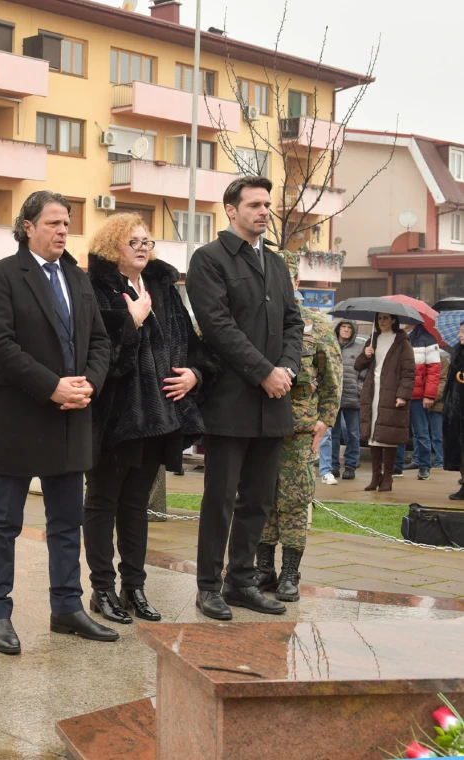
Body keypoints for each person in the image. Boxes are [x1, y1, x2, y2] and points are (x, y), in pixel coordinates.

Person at [0, 190, 114, 656]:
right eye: (53, 223)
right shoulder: (1, 277)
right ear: (28, 227)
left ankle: (67, 607)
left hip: (71, 418)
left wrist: (88, 384)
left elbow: (100, 341)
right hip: (19, 418)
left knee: (66, 521)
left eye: (66, 223)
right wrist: (52, 386)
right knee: (3, 522)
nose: (62, 231)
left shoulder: (77, 277)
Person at [84, 213, 215, 624]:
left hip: (158, 419)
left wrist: (195, 374)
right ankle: (102, 589)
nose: (143, 248)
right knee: (103, 503)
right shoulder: (96, 289)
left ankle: (134, 587)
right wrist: (133, 321)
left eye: (147, 241)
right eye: (134, 241)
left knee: (136, 505)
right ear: (113, 247)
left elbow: (192, 345)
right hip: (114, 419)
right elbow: (97, 354)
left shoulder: (162, 288)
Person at [186, 176, 303, 620]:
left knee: (258, 501)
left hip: (273, 402)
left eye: (267, 204)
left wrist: (286, 370)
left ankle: (241, 581)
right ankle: (208, 586)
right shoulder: (209, 259)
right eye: (254, 204)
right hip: (230, 401)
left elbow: (293, 323)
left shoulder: (275, 263)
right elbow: (218, 327)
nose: (264, 211)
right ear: (231, 210)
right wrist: (263, 372)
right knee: (219, 500)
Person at [256, 252, 341, 603]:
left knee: (293, 499)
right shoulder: (258, 319)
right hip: (261, 422)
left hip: (299, 426)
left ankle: (290, 573)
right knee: (260, 496)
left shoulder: (316, 325)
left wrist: (326, 419)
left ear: (295, 280)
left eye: (286, 277)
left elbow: (332, 377)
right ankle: (263, 568)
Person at [355, 312, 415, 492]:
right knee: (372, 433)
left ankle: (387, 476)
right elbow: (358, 366)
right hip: (372, 392)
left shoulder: (402, 342)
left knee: (389, 435)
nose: (382, 321)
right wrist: (365, 355)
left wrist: (402, 395)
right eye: (379, 318)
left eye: (385, 318)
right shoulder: (373, 339)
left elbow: (409, 372)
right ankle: (376, 476)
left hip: (391, 393)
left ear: (393, 320)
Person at [399, 323, 441, 480]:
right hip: (399, 393)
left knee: (421, 433)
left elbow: (434, 370)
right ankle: (396, 466)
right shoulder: (396, 337)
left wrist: (429, 395)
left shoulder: (427, 339)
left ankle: (424, 465)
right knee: (397, 431)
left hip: (418, 395)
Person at [329, 320, 364, 481]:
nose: (346, 330)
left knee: (353, 434)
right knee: (333, 434)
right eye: (343, 327)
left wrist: (359, 389)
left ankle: (350, 466)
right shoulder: (331, 345)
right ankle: (333, 466)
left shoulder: (360, 348)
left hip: (352, 397)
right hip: (332, 397)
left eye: (349, 327)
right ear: (338, 329)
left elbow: (365, 372)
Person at [443, 323, 464, 499]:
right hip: (456, 409)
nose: (460, 334)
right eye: (460, 331)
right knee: (458, 449)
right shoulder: (458, 352)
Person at [432, 348, 449, 469]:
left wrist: (431, 397)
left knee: (437, 435)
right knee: (419, 434)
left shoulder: (444, 361)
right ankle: (420, 459)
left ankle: (440, 460)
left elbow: (443, 383)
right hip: (420, 401)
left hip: (437, 404)